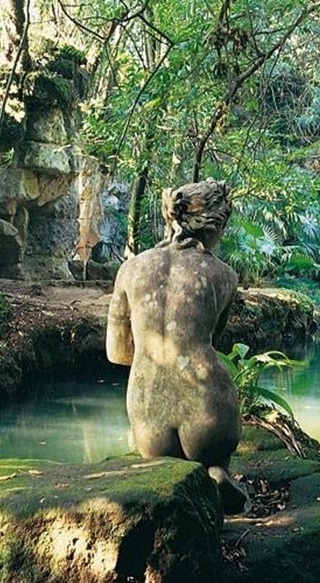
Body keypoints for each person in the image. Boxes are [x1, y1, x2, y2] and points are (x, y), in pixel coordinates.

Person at [106, 179, 249, 514]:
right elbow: (213, 339)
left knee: (163, 470)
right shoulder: (224, 275)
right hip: (209, 412)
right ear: (216, 225)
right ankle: (216, 472)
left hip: (147, 413)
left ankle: (180, 480)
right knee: (211, 457)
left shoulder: (131, 270)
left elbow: (117, 352)